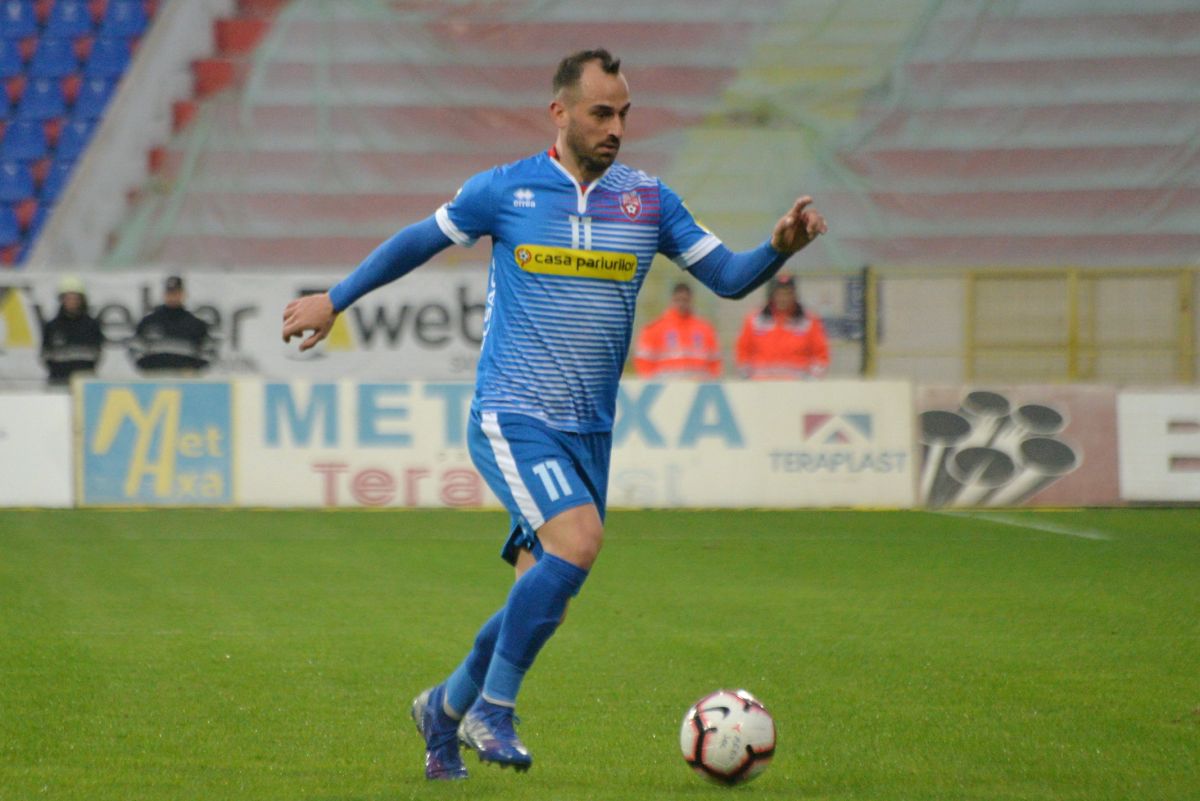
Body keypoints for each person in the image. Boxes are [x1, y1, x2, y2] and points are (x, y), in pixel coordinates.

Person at [280, 49, 827, 781]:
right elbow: (418, 240)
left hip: (589, 431)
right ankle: (492, 709)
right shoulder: (503, 190)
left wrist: (777, 249)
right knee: (578, 541)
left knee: (543, 598)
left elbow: (727, 277)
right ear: (560, 112)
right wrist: (335, 298)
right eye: (601, 113)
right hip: (513, 414)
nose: (616, 128)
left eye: (624, 113)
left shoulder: (648, 201)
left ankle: (443, 709)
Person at [735, 274, 830, 379]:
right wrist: (747, 378)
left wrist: (812, 379)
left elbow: (821, 355)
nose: (783, 298)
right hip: (761, 384)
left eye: (788, 293)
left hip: (799, 385)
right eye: (779, 293)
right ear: (771, 294)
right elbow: (743, 351)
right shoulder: (755, 320)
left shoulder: (809, 321)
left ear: (794, 295)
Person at [632, 282, 721, 378]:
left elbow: (715, 364)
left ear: (691, 300)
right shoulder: (655, 329)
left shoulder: (705, 329)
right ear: (672, 300)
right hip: (665, 386)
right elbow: (643, 364)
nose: (682, 304)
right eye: (678, 300)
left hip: (698, 385)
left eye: (685, 300)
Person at [129, 275, 215, 373]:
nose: (173, 297)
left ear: (183, 294)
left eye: (176, 293)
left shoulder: (196, 325)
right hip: (155, 379)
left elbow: (208, 352)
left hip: (187, 380)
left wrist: (193, 371)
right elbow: (135, 349)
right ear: (164, 295)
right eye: (170, 293)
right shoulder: (149, 322)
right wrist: (150, 370)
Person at [40, 275, 104, 387]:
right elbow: (45, 355)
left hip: (85, 383)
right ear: (62, 300)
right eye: (68, 298)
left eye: (75, 298)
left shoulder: (92, 325)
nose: (72, 302)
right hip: (58, 382)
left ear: (81, 300)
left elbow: (97, 354)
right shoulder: (52, 326)